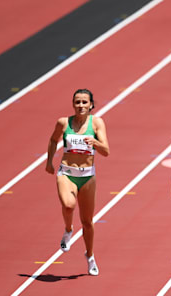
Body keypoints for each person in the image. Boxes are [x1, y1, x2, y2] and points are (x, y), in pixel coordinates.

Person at [46, 89, 109, 275]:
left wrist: (95, 142)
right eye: (77, 102)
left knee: (88, 222)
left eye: (84, 102)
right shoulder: (64, 122)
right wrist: (49, 161)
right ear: (73, 104)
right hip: (66, 172)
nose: (81, 106)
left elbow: (106, 151)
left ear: (91, 105)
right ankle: (68, 229)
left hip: (88, 176)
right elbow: (52, 140)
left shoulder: (97, 123)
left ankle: (90, 256)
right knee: (68, 205)